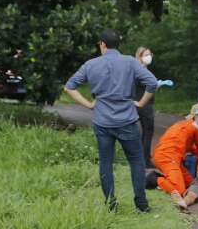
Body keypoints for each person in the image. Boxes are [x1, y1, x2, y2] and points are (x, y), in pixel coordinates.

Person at [64, 29, 158, 213]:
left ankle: (111, 205)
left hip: (102, 121)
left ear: (102, 44)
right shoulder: (130, 62)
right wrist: (140, 103)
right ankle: (141, 205)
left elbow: (69, 87)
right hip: (127, 120)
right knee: (137, 161)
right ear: (117, 44)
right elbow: (152, 83)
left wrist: (89, 105)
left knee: (106, 162)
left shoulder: (90, 65)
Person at [150, 116, 198, 209]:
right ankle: (155, 179)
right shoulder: (196, 127)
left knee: (190, 182)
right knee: (179, 190)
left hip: (169, 157)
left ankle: (166, 180)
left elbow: (184, 144)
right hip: (169, 158)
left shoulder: (181, 124)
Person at [134, 46, 156, 167]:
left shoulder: (141, 69)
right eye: (145, 55)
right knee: (148, 131)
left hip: (141, 102)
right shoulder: (140, 70)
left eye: (149, 54)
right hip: (143, 103)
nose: (148, 57)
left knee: (145, 132)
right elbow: (147, 86)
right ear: (139, 57)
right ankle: (145, 160)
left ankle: (144, 157)